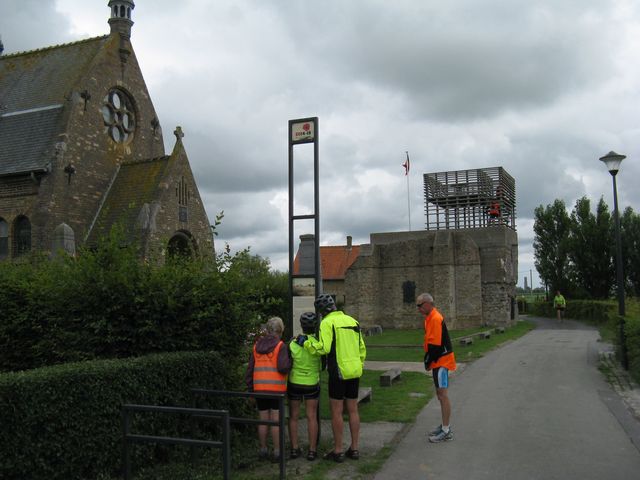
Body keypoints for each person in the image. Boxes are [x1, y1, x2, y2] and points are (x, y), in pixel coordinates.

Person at [303, 294, 366, 462]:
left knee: (336, 411)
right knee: (353, 409)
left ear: (321, 312)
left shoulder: (327, 322)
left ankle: (337, 451)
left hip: (338, 372)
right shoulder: (353, 321)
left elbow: (323, 348)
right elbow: (362, 348)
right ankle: (354, 449)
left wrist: (307, 343)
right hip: (354, 371)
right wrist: (358, 365)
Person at [245, 317, 291, 462]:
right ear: (280, 330)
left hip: (259, 389)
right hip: (276, 390)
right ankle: (277, 453)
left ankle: (263, 450)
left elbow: (250, 370)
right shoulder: (280, 346)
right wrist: (291, 362)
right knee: (276, 421)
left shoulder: (256, 345)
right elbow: (283, 368)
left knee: (263, 420)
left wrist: (250, 389)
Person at [417, 293, 456, 443]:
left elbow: (436, 345)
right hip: (437, 362)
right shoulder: (430, 318)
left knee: (443, 395)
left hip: (442, 362)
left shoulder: (435, 318)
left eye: (419, 305)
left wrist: (428, 360)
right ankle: (445, 426)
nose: (418, 309)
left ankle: (446, 431)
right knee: (440, 395)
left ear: (427, 303)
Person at [288, 312, 324, 461]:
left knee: (294, 417)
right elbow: (322, 366)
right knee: (311, 416)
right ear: (315, 326)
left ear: (302, 326)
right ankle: (312, 451)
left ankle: (294, 449)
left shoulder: (293, 343)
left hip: (295, 382)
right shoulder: (317, 345)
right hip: (311, 383)